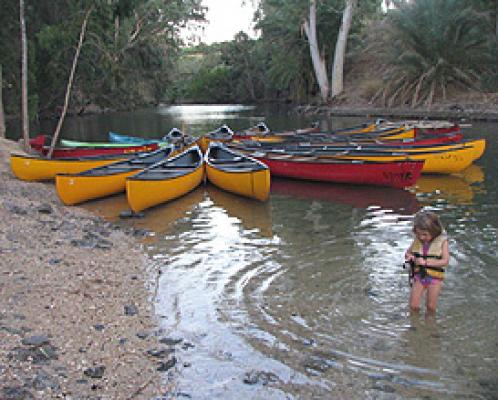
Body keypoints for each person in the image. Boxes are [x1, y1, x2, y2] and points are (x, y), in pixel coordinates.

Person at [405, 211, 450, 314]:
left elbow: (445, 261)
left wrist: (425, 263)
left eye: (425, 234)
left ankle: (430, 327)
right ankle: (415, 326)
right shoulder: (417, 241)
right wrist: (410, 257)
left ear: (434, 231)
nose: (421, 237)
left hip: (435, 278)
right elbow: (408, 253)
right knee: (413, 305)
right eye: (418, 234)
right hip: (419, 276)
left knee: (431, 307)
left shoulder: (442, 242)